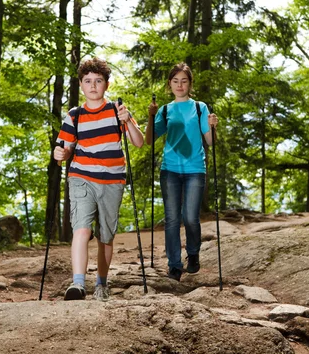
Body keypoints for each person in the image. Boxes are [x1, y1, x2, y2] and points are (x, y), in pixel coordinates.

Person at [54, 57, 144, 301]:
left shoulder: (118, 111)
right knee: (81, 229)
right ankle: (78, 284)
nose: (93, 85)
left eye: (98, 81)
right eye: (87, 81)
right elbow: (65, 150)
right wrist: (59, 153)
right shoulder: (75, 115)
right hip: (82, 177)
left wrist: (128, 122)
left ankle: (102, 284)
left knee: (105, 235)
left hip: (112, 179)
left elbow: (138, 142)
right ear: (81, 85)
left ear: (106, 84)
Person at [145, 62, 218, 282]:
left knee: (190, 217)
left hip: (196, 168)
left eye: (184, 81)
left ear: (190, 83)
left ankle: (193, 254)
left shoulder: (200, 108)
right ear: (170, 84)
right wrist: (150, 117)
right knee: (172, 219)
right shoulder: (165, 110)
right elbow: (149, 140)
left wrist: (213, 127)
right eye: (175, 81)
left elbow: (210, 142)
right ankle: (174, 265)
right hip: (170, 170)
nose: (180, 85)